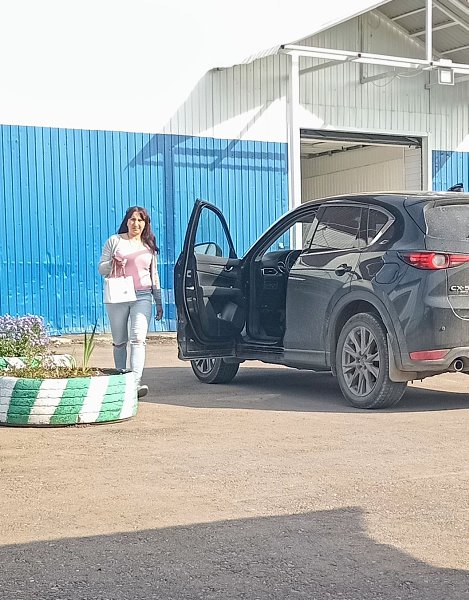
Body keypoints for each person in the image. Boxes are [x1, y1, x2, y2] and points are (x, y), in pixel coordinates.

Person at [98, 206, 163, 398]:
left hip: (142, 296)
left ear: (145, 224)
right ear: (127, 221)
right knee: (120, 341)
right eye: (133, 219)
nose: (136, 224)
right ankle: (121, 379)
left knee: (138, 339)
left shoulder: (148, 245)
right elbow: (101, 269)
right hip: (118, 295)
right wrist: (112, 263)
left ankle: (134, 383)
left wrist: (158, 301)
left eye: (140, 220)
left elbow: (154, 274)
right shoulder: (115, 241)